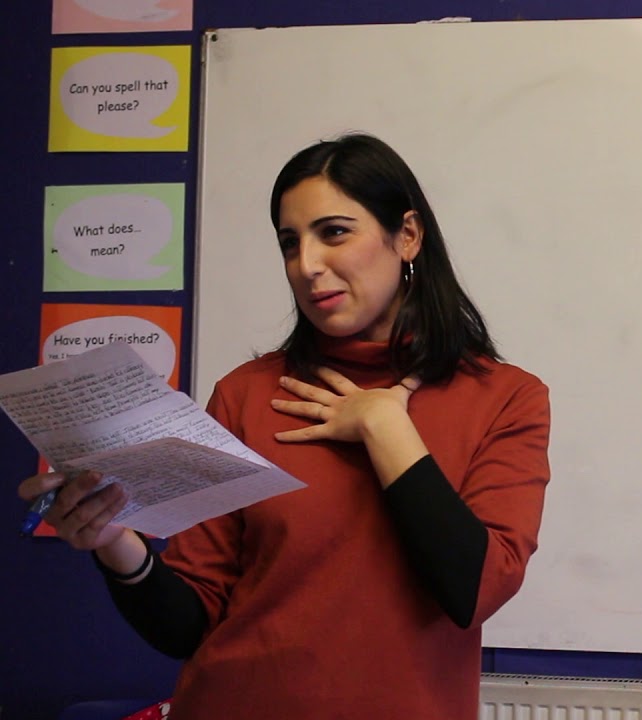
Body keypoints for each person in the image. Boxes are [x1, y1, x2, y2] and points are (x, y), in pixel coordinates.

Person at [17, 133, 552, 718]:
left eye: (334, 232)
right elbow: (189, 626)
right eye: (289, 243)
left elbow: (474, 591)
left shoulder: (506, 398)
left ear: (408, 236)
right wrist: (115, 542)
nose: (307, 265)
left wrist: (385, 427)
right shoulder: (247, 393)